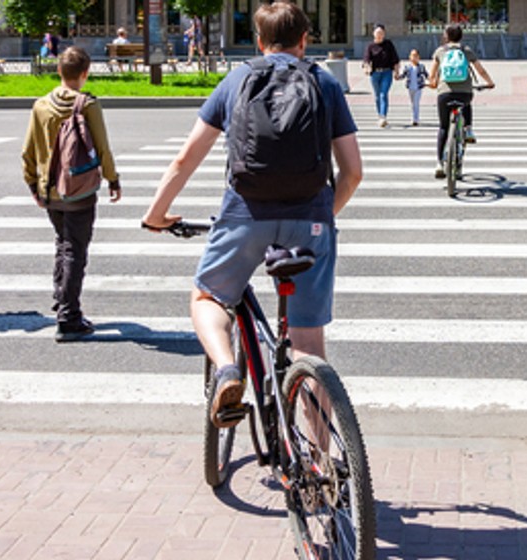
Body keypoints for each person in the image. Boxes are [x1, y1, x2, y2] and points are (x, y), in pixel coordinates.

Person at [141, 1, 362, 428]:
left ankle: (227, 368)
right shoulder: (324, 83)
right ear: (304, 40)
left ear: (259, 42)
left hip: (245, 216)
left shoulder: (236, 79)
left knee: (207, 296)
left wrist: (157, 214)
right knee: (309, 346)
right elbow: (353, 172)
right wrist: (323, 216)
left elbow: (187, 158)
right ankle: (320, 471)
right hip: (311, 220)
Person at [21, 46, 122, 342]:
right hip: (80, 190)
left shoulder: (40, 106)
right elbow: (102, 147)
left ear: (58, 71)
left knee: (63, 243)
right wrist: (113, 180)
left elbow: (28, 151)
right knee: (75, 250)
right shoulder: (88, 104)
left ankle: (60, 296)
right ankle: (68, 316)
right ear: (85, 73)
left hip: (49, 189)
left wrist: (33, 185)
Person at [427, 24, 495, 179]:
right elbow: (480, 70)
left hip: (444, 94)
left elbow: (432, 76)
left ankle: (439, 163)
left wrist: (433, 84)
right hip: (464, 93)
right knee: (466, 104)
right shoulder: (466, 51)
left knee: (444, 127)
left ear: (446, 36)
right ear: (461, 36)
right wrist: (490, 82)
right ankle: (468, 129)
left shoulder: (440, 51)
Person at [362, 23, 400, 128]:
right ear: (373, 34)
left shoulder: (388, 44)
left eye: (381, 33)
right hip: (375, 74)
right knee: (377, 96)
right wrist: (367, 68)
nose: (379, 35)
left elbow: (395, 59)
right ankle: (380, 115)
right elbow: (366, 59)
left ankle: (383, 116)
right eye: (377, 33)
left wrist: (396, 72)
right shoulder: (370, 46)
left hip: (387, 72)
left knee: (383, 94)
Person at [396, 49, 428, 126]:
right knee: (413, 103)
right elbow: (403, 75)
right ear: (410, 57)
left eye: (416, 56)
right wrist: (397, 77)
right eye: (412, 56)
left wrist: (431, 80)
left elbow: (426, 75)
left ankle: (415, 119)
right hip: (410, 87)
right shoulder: (408, 67)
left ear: (418, 57)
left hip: (418, 87)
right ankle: (414, 117)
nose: (414, 58)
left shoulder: (421, 67)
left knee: (416, 103)